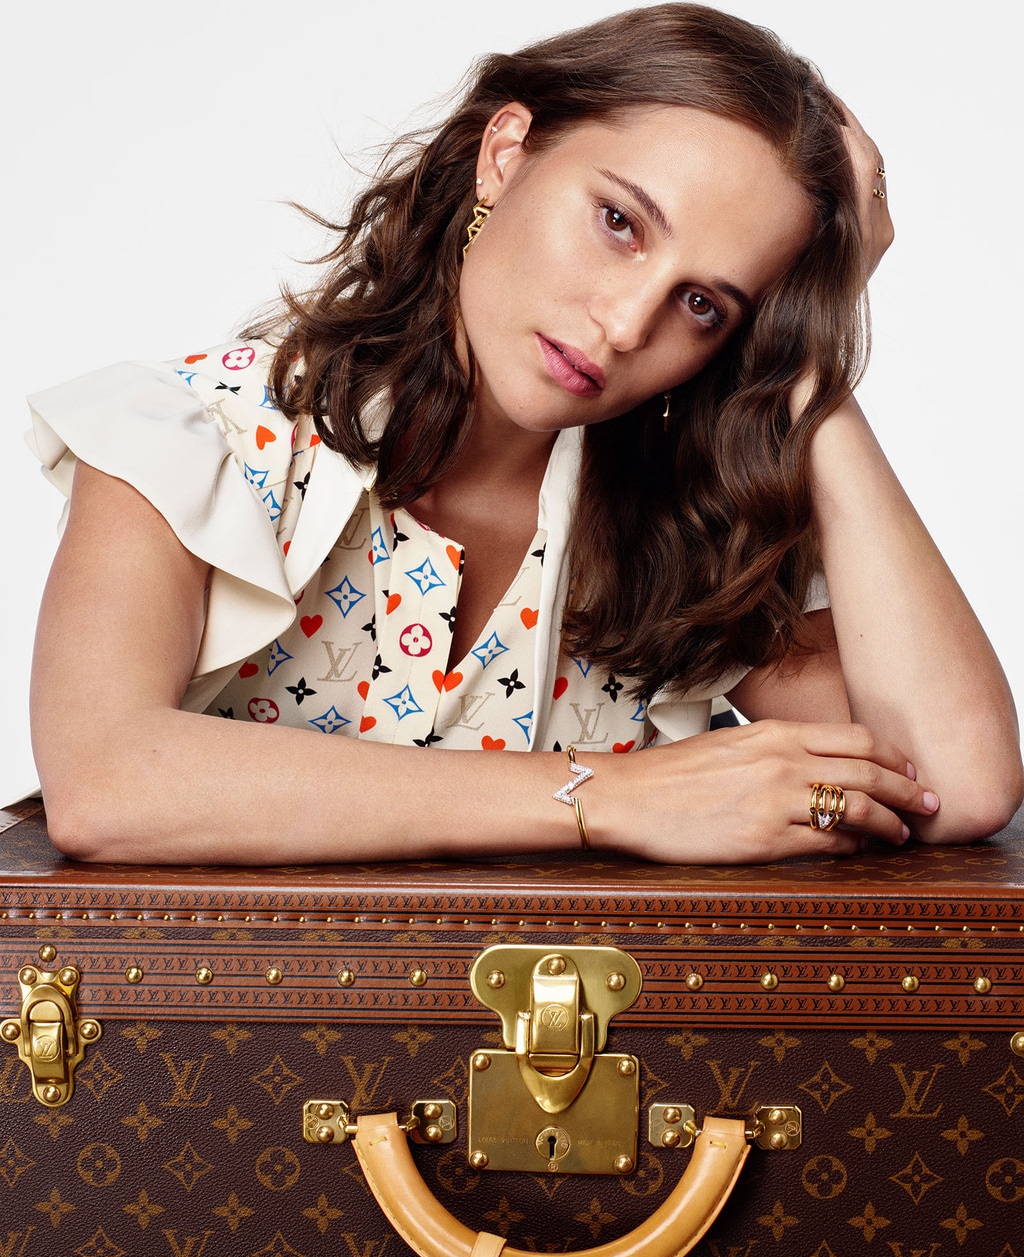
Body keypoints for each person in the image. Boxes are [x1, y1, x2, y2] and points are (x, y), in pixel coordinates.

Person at [27, 3, 1022, 866]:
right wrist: (609, 796)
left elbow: (952, 783)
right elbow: (105, 781)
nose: (626, 325)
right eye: (620, 222)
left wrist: (810, 343)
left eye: (705, 306)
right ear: (506, 154)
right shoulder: (197, 436)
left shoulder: (687, 531)